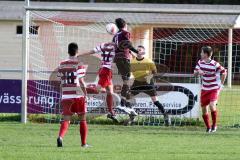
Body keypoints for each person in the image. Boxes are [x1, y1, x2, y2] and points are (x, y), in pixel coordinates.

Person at [57, 42, 90, 148]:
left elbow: (61, 82)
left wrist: (62, 95)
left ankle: (60, 137)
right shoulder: (79, 64)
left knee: (66, 119)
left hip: (66, 95)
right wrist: (85, 94)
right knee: (83, 119)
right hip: (77, 95)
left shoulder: (61, 64)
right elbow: (81, 82)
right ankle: (84, 144)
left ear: (68, 51)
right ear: (77, 51)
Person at [126, 45, 169, 125]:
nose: (138, 51)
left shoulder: (148, 61)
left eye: (140, 50)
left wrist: (149, 76)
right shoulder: (132, 61)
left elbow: (155, 72)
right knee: (128, 97)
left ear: (144, 52)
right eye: (137, 49)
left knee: (155, 101)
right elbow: (131, 72)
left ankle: (165, 115)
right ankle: (132, 115)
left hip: (148, 82)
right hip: (137, 82)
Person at [77, 42, 118, 122]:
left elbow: (91, 51)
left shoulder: (104, 45)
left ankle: (111, 112)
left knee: (110, 92)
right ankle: (79, 90)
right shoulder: (118, 47)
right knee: (97, 90)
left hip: (103, 69)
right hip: (107, 71)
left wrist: (80, 54)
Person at [194, 46, 227, 133]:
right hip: (204, 89)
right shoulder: (200, 62)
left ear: (205, 54)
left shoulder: (215, 64)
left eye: (201, 52)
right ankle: (208, 127)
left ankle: (214, 125)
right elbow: (195, 73)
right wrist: (199, 72)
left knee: (212, 106)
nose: (200, 54)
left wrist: (221, 85)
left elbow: (224, 72)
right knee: (204, 109)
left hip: (214, 88)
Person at [112, 18, 140, 114]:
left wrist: (131, 53)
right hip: (124, 58)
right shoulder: (125, 33)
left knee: (127, 82)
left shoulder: (116, 35)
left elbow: (117, 46)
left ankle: (127, 105)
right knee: (128, 81)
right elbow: (128, 45)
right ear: (125, 25)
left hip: (118, 59)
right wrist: (137, 52)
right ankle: (122, 104)